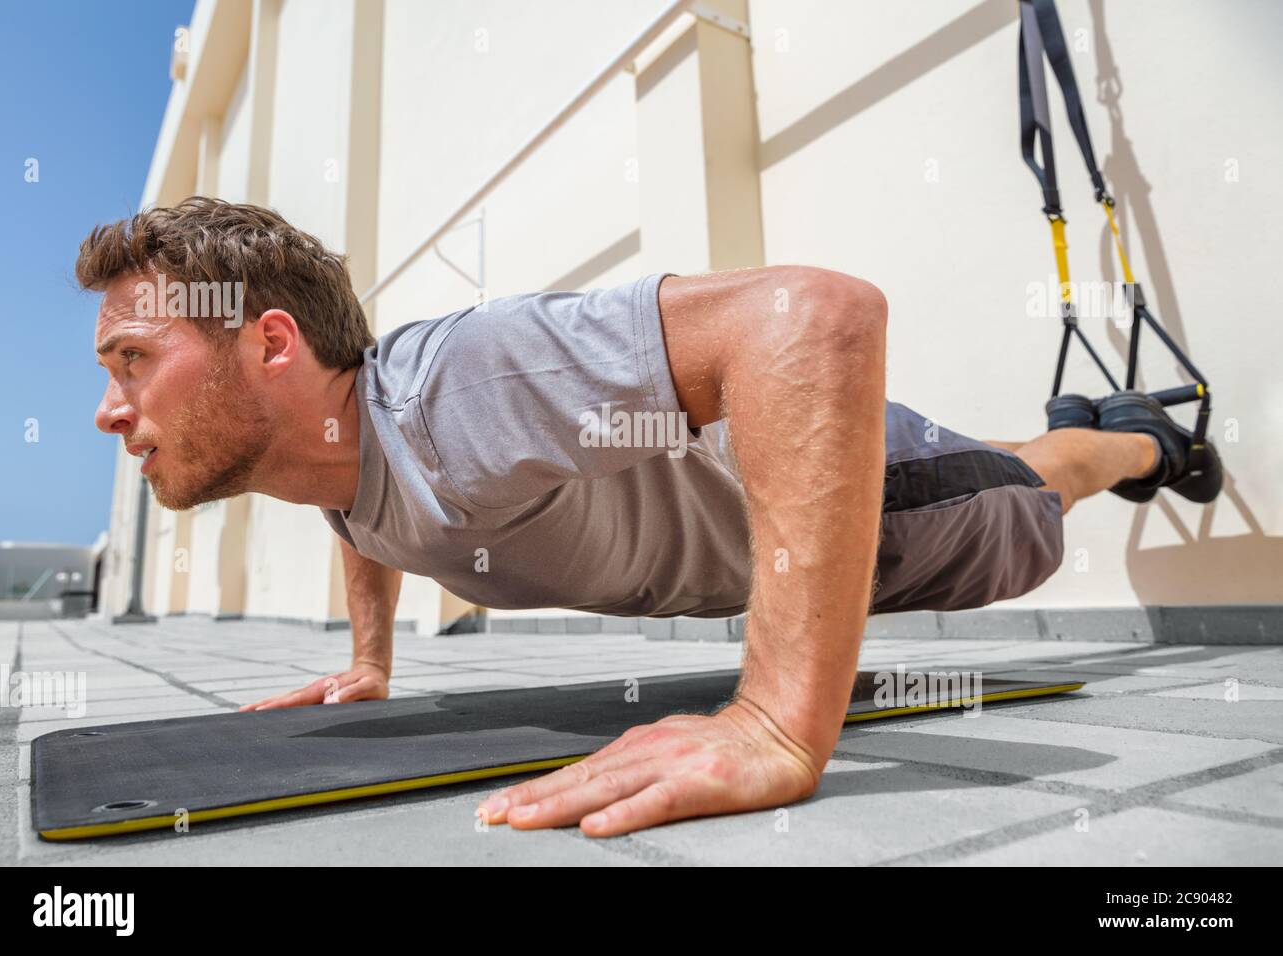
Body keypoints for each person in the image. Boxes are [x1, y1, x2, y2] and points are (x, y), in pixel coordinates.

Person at [79, 197, 1221, 837]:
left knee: (1027, 496)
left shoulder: (446, 394)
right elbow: (360, 520)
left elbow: (811, 315)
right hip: (767, 527)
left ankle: (1139, 440)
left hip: (889, 509)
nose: (105, 407)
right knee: (1013, 464)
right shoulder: (335, 459)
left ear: (273, 343)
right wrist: (369, 661)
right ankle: (1075, 427)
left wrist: (776, 719)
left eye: (133, 358)